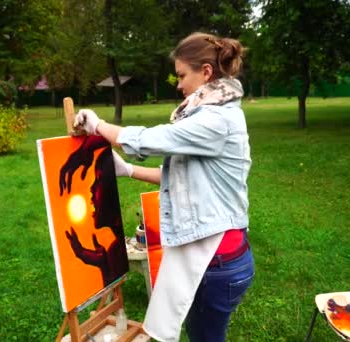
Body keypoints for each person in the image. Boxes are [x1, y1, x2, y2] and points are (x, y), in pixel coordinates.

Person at [73, 32, 254, 342]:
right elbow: (181, 177)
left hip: (217, 262)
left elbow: (151, 140)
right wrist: (128, 170)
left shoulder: (216, 120)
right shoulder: (206, 117)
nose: (179, 84)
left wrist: (99, 126)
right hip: (210, 258)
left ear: (206, 73)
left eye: (183, 75)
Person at [59, 135, 129, 287]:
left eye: (98, 180)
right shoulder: (115, 251)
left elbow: (136, 138)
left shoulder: (117, 251)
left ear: (111, 190)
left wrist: (87, 147)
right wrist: (104, 264)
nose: (91, 188)